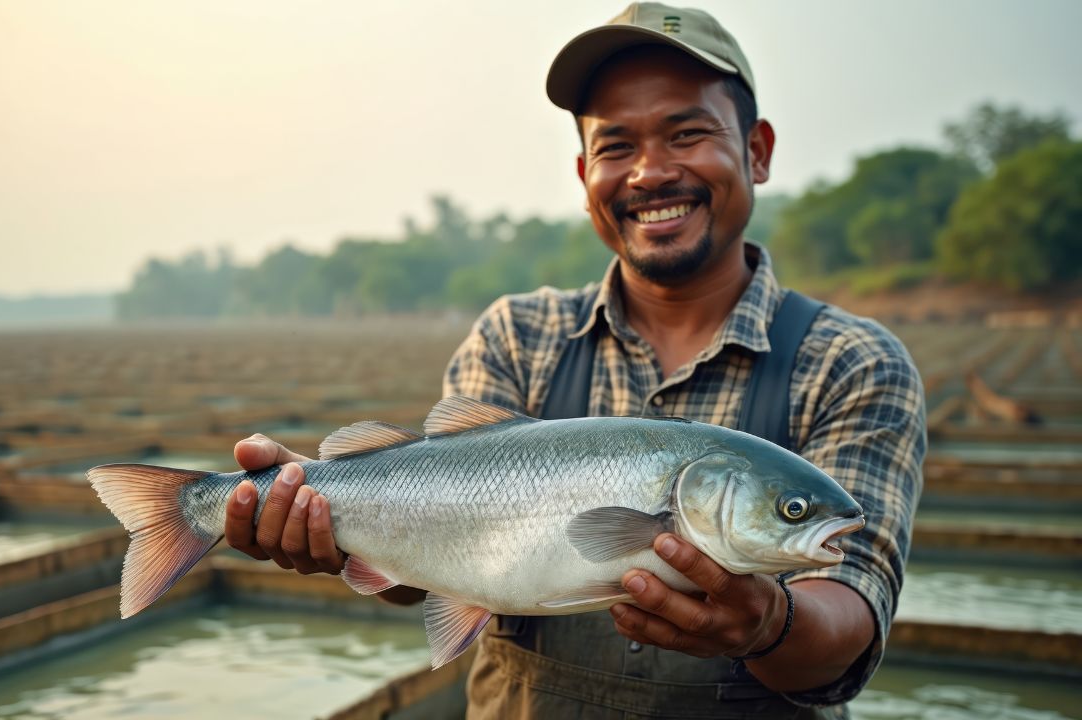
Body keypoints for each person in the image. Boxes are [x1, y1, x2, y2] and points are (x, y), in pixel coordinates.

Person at [224, 3, 926, 718]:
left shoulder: (853, 363)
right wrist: (320, 525)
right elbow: (424, 572)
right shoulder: (515, 336)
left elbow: (850, 612)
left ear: (758, 149)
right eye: (617, 146)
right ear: (585, 171)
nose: (651, 172)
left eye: (687, 133)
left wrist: (769, 622)